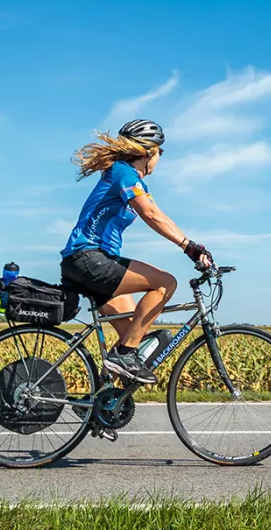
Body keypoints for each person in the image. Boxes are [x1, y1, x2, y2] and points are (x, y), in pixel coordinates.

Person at [60, 119, 211, 384]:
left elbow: (158, 214)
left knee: (131, 336)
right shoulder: (123, 172)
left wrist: (190, 244)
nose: (161, 157)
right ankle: (123, 355)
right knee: (165, 283)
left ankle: (101, 410)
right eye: (161, 151)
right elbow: (151, 214)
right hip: (90, 259)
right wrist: (190, 247)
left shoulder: (126, 176)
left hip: (90, 261)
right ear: (149, 151)